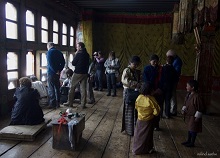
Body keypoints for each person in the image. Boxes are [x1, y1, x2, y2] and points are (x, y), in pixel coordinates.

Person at [133, 83, 160, 155]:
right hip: (148, 120)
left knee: (139, 134)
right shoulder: (151, 99)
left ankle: (136, 148)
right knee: (147, 135)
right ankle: (147, 149)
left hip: (140, 119)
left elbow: (136, 107)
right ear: (151, 90)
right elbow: (156, 112)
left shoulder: (139, 97)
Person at [63, 42, 90, 109]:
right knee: (83, 89)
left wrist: (76, 54)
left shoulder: (79, 54)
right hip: (85, 73)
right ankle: (83, 104)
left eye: (77, 47)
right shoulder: (87, 54)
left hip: (78, 72)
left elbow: (74, 63)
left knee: (72, 87)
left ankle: (70, 102)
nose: (76, 48)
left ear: (80, 47)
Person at [121, 55, 141, 136]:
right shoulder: (127, 70)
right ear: (130, 63)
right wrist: (136, 83)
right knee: (128, 111)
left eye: (137, 64)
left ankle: (134, 129)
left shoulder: (136, 71)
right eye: (134, 64)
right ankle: (129, 130)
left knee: (134, 110)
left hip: (134, 92)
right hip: (128, 92)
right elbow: (124, 81)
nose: (136, 66)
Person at [181, 80, 204, 147]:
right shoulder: (188, 95)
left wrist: (197, 117)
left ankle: (192, 142)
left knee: (193, 129)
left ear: (192, 87)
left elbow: (200, 108)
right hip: (189, 115)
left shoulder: (197, 96)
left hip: (194, 116)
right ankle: (188, 140)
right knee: (190, 128)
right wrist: (183, 110)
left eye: (187, 86)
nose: (186, 87)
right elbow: (185, 103)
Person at [142, 54, 163, 130]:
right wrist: (150, 91)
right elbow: (146, 81)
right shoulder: (147, 69)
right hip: (150, 91)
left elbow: (163, 80)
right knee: (149, 108)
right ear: (149, 61)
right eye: (153, 61)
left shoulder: (161, 68)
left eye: (156, 62)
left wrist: (159, 89)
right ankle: (149, 124)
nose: (155, 63)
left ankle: (156, 124)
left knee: (158, 108)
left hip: (158, 91)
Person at [46, 42, 65, 109]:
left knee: (51, 88)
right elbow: (63, 62)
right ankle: (58, 103)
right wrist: (59, 70)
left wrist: (55, 71)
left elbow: (50, 63)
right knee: (57, 88)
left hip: (51, 73)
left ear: (49, 46)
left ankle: (52, 104)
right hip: (57, 73)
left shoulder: (49, 52)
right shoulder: (59, 52)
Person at [166, 49, 182, 116]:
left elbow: (176, 72)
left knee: (172, 95)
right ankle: (171, 110)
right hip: (172, 80)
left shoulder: (177, 61)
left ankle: (173, 111)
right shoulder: (177, 60)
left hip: (173, 80)